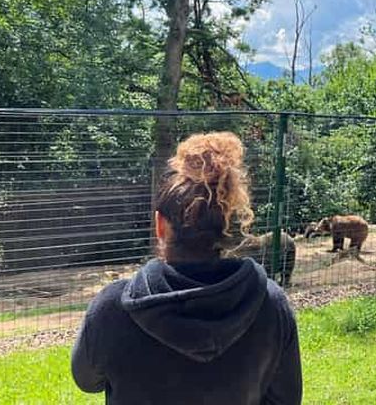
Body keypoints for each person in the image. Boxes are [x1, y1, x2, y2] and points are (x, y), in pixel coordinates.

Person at [71, 131, 302, 404]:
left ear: (160, 225)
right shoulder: (270, 304)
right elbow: (286, 397)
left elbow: (87, 380)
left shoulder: (113, 306)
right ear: (225, 225)